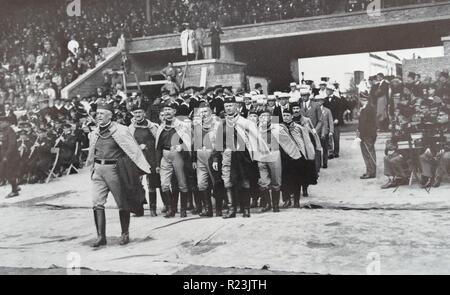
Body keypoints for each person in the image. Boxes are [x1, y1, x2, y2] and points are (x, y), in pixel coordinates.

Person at [85, 103, 151, 248]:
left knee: (122, 202)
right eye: (97, 114)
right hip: (98, 170)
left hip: (114, 169)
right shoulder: (95, 132)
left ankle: (124, 233)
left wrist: (137, 171)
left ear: (110, 115)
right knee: (97, 203)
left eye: (102, 113)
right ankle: (101, 236)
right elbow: (91, 152)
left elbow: (133, 151)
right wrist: (92, 168)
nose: (99, 116)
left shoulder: (121, 130)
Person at [212, 96, 270, 218]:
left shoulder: (245, 122)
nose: (229, 108)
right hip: (227, 155)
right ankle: (231, 209)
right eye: (226, 106)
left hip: (242, 155)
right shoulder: (222, 124)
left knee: (244, 182)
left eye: (231, 105)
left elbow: (256, 138)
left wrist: (257, 154)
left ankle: (246, 209)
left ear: (236, 107)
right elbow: (217, 143)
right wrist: (217, 158)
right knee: (228, 182)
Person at [257, 108, 301, 212]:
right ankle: (268, 204)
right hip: (262, 157)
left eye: (266, 116)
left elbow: (287, 142)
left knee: (276, 181)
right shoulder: (257, 129)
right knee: (264, 181)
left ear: (270, 117)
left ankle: (275, 205)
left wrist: (295, 155)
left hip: (274, 155)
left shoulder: (277, 128)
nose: (264, 118)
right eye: (262, 116)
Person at [155, 103, 192, 218]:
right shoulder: (161, 127)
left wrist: (181, 147)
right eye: (165, 110)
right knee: (164, 184)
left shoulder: (182, 125)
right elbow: (158, 146)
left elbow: (189, 142)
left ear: (174, 111)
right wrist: (157, 163)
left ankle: (183, 210)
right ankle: (171, 209)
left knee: (182, 183)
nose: (167, 112)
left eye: (169, 109)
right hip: (165, 156)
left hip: (178, 155)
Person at [192, 102, 225, 217]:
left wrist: (216, 158)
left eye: (205, 111)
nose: (203, 114)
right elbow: (194, 143)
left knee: (216, 182)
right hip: (200, 156)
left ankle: (219, 208)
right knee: (201, 183)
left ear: (211, 112)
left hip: (212, 155)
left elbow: (219, 142)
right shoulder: (197, 125)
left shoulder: (217, 124)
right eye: (201, 112)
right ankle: (208, 209)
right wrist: (193, 159)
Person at [129, 105, 160, 217]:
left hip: (151, 158)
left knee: (151, 184)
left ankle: (153, 209)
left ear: (144, 114)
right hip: (137, 160)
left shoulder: (152, 126)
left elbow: (158, 143)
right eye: (135, 112)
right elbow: (128, 145)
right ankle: (139, 209)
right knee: (137, 184)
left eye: (140, 112)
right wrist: (138, 147)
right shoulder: (130, 128)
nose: (137, 115)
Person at [357, 94, 377, 179]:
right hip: (366, 134)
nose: (360, 101)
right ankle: (369, 171)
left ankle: (371, 172)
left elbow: (364, 123)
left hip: (367, 134)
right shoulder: (366, 108)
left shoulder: (368, 109)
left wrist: (361, 134)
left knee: (369, 153)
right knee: (366, 153)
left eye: (361, 99)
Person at [0, 116, 20, 198]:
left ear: (7, 123)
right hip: (4, 156)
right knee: (5, 172)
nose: (0, 124)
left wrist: (6, 156)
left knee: (9, 172)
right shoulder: (2, 131)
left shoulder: (10, 131)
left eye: (1, 122)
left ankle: (14, 191)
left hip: (11, 156)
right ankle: (16, 186)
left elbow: (12, 145)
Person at [314, 95, 334, 169]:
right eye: (316, 100)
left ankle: (325, 163)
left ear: (323, 101)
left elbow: (330, 121)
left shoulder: (327, 110)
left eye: (320, 100)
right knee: (317, 148)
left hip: (325, 131)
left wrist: (331, 131)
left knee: (325, 148)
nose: (318, 102)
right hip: (317, 131)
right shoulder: (314, 110)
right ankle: (318, 164)